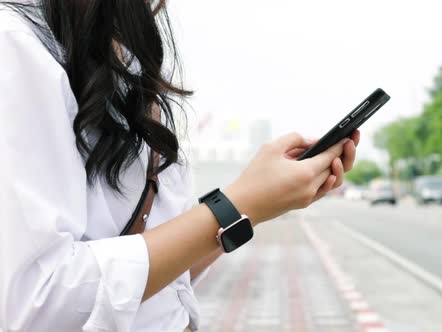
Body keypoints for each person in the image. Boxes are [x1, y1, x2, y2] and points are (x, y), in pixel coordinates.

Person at [0, 1, 359, 331]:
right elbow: (36, 302)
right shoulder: (17, 44)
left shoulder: (124, 56)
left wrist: (260, 203)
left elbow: (160, 284)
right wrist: (237, 205)